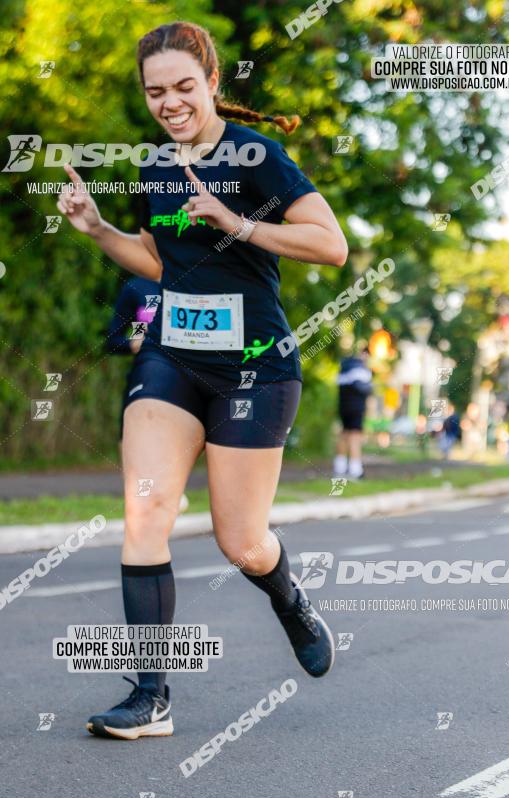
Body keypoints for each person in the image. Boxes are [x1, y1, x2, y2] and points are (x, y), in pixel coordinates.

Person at [57, 20, 348, 739]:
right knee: (145, 510)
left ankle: (287, 598)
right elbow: (163, 262)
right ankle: (148, 696)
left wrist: (240, 223)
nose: (171, 102)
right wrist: (96, 228)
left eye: (185, 86)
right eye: (156, 91)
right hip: (171, 357)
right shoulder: (156, 164)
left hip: (254, 364)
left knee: (242, 541)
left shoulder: (257, 157)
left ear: (213, 83)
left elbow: (331, 246)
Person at [106, 276, 189, 513]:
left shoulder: (191, 279)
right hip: (145, 376)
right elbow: (112, 340)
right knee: (132, 447)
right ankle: (141, 504)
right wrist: (133, 343)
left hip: (186, 377)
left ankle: (169, 494)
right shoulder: (137, 288)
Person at [332, 350, 373, 479]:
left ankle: (340, 467)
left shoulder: (343, 369)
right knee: (355, 437)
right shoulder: (361, 370)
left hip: (343, 407)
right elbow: (365, 389)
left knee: (344, 435)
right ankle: (355, 470)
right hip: (357, 408)